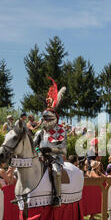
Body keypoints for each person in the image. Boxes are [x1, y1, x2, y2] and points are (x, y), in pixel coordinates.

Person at [34, 77, 67, 206]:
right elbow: (33, 146)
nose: (46, 121)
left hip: (54, 158)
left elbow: (62, 149)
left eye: (48, 118)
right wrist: (38, 151)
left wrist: (50, 151)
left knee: (56, 172)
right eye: (45, 118)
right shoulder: (40, 132)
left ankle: (57, 197)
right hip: (39, 158)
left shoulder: (60, 131)